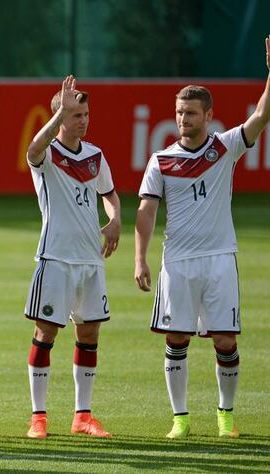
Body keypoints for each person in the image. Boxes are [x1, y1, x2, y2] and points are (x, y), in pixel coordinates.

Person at [135, 35, 270, 440]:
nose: (183, 119)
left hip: (218, 258)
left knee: (225, 341)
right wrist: (140, 258)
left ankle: (225, 415)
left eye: (191, 113)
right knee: (176, 339)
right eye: (178, 113)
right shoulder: (160, 160)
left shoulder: (225, 148)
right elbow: (146, 210)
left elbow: (261, 117)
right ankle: (180, 419)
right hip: (176, 261)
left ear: (209, 115)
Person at [22, 76, 121, 439]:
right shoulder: (47, 155)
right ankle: (39, 417)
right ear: (60, 117)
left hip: (90, 260)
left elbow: (109, 193)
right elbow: (33, 148)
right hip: (56, 258)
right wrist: (58, 112)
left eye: (85, 113)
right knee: (45, 332)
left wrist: (114, 219)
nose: (82, 120)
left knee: (89, 333)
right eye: (75, 114)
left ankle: (83, 416)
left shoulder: (95, 156)